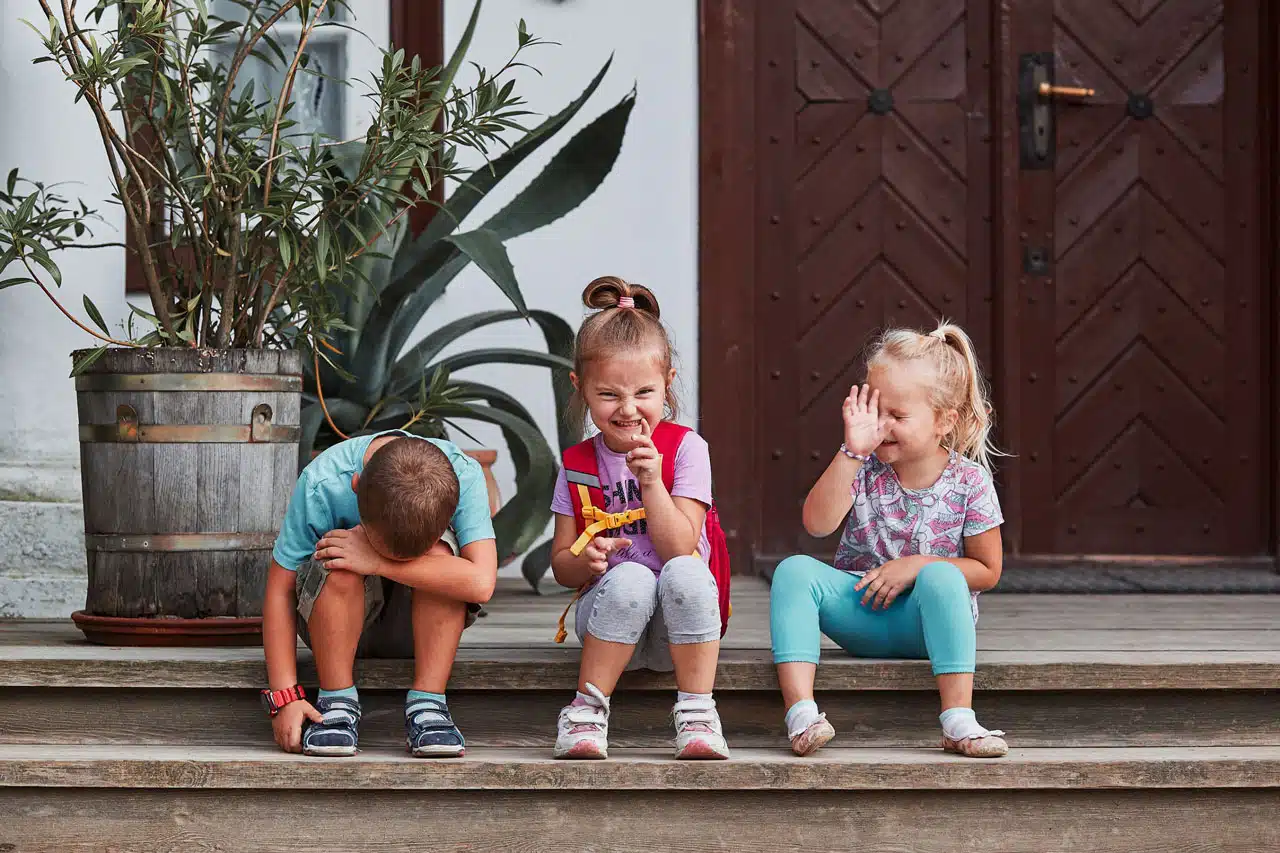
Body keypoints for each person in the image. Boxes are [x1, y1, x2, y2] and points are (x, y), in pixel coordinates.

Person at [770, 321, 1009, 758]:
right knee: (792, 572)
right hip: (861, 617)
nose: (882, 426)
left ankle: (958, 718)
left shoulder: (969, 481)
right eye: (876, 411)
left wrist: (918, 564)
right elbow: (816, 523)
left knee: (942, 577)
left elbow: (988, 570)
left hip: (926, 627)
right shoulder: (862, 465)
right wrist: (851, 452)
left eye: (897, 417)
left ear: (944, 421)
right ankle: (802, 714)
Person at [548, 276, 729, 760]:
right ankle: (586, 710)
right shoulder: (578, 463)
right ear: (580, 388)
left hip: (679, 630)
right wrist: (584, 561)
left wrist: (651, 482)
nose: (628, 410)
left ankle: (696, 710)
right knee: (629, 578)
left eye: (643, 392)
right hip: (611, 617)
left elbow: (678, 547)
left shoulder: (687, 450)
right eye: (608, 395)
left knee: (687, 569)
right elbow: (561, 567)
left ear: (668, 385)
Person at [260, 430, 497, 758]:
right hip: (333, 628)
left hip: (416, 633)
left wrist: (377, 561)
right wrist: (284, 697)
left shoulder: (463, 475)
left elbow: (482, 582)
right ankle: (336, 702)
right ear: (355, 486)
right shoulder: (323, 481)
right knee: (338, 558)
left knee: (444, 560)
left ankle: (429, 703)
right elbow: (278, 591)